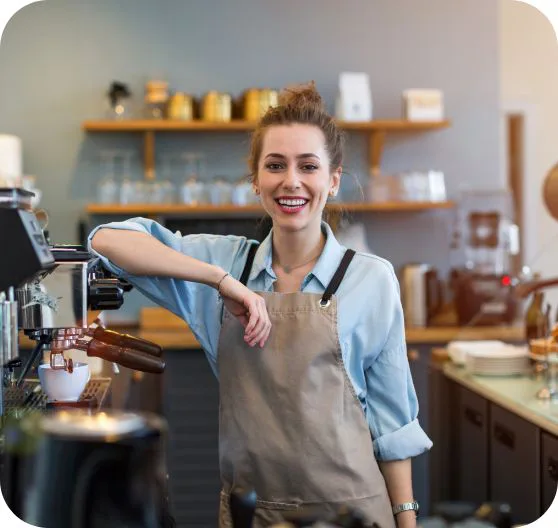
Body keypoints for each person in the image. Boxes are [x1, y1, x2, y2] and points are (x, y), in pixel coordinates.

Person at [89, 82, 432, 528]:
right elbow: (106, 241)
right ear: (255, 180)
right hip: (253, 516)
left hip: (355, 515)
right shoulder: (225, 263)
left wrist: (406, 519)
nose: (291, 181)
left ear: (333, 179)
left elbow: (393, 426)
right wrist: (221, 281)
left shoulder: (372, 278)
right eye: (275, 165)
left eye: (308, 166)